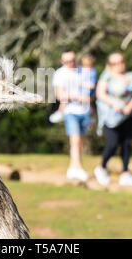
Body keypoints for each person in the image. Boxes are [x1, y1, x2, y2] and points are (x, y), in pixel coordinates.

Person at [94, 52, 132, 186]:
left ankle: (125, 172)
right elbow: (100, 94)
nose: (119, 65)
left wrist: (130, 107)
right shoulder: (106, 77)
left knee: (126, 144)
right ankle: (102, 168)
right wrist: (115, 104)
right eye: (115, 63)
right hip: (110, 117)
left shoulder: (131, 76)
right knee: (112, 144)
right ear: (110, 65)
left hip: (126, 115)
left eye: (121, 61)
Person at [52, 50, 91, 181]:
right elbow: (59, 95)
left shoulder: (83, 71)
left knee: (80, 142)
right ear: (62, 61)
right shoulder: (60, 74)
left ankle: (73, 167)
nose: (71, 63)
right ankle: (78, 168)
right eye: (67, 61)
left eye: (72, 60)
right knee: (75, 140)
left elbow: (90, 88)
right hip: (71, 110)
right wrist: (74, 96)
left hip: (85, 110)